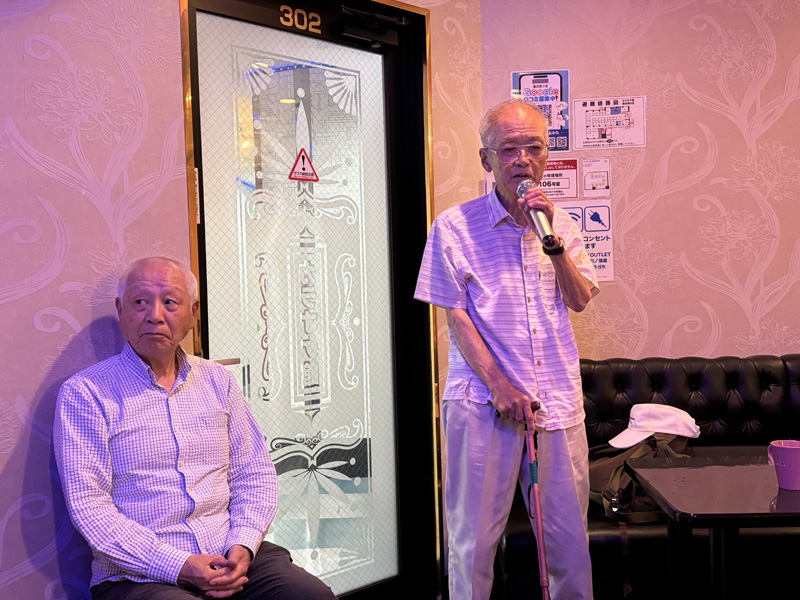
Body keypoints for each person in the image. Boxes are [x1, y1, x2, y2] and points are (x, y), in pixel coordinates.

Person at [54, 257, 336, 600]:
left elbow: (254, 473)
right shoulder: (86, 393)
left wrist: (243, 544)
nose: (155, 315)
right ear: (120, 309)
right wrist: (180, 565)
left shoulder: (219, 380)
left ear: (193, 312)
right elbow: (89, 507)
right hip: (139, 574)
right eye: (140, 302)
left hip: (228, 551)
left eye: (170, 302)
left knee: (311, 596)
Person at [415, 100, 599, 600]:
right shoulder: (454, 226)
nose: (523, 159)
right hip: (481, 403)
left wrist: (552, 242)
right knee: (472, 543)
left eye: (533, 148)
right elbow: (455, 315)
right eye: (509, 149)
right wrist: (500, 386)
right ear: (486, 159)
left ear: (546, 156)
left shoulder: (561, 224)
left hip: (557, 402)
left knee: (569, 544)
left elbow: (579, 299)